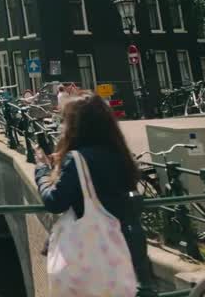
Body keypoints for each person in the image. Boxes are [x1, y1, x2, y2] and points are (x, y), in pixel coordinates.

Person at [34, 92, 150, 283]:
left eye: (65, 121)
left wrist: (42, 170)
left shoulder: (77, 159)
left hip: (91, 252)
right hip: (123, 245)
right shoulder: (119, 153)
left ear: (75, 126)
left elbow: (55, 201)